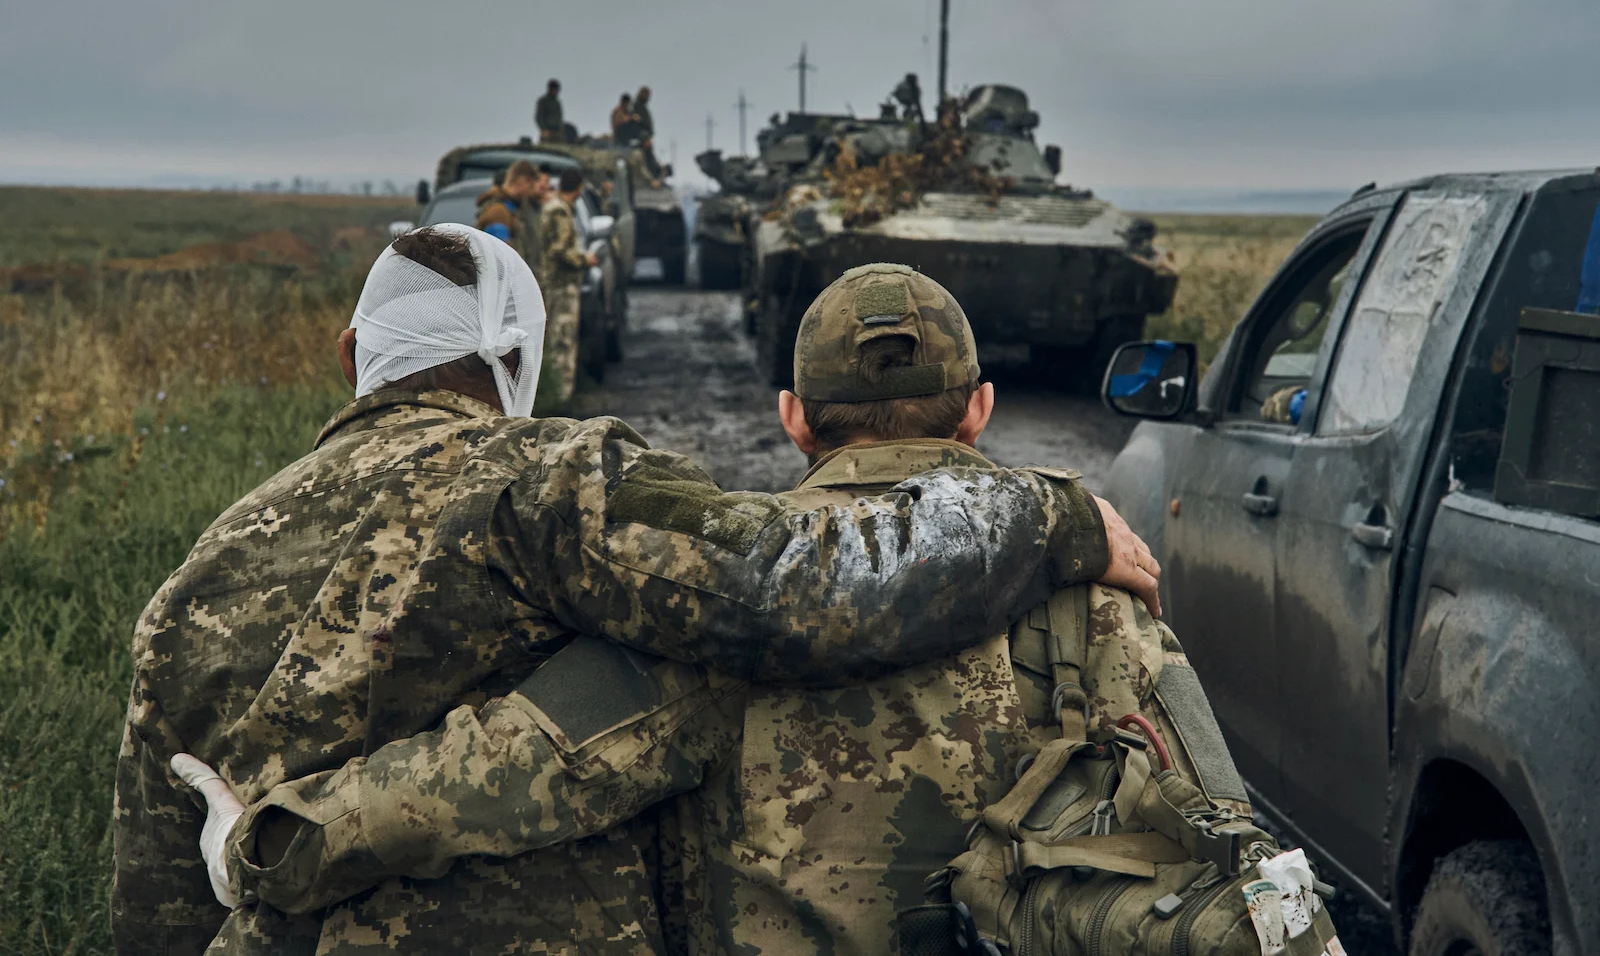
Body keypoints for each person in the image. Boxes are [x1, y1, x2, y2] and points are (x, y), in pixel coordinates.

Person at [173, 265, 1167, 955]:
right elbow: (1197, 826)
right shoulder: (1101, 586)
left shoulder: (715, 619)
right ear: (980, 407)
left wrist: (268, 841)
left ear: (790, 415)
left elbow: (494, 771)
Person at [536, 167, 597, 405]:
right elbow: (559, 249)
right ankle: (561, 399)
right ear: (578, 188)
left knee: (554, 339)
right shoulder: (560, 210)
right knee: (563, 340)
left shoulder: (551, 206)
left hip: (552, 282)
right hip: (562, 284)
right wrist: (584, 260)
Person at [473, 158, 543, 268]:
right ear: (522, 181)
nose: (530, 193)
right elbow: (499, 258)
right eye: (530, 186)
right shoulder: (498, 212)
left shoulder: (510, 210)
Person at [535, 78, 563, 142]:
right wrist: (543, 129)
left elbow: (559, 118)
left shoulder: (557, 102)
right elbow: (539, 117)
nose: (556, 92)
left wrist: (561, 132)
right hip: (547, 133)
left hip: (557, 133)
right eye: (555, 89)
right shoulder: (543, 101)